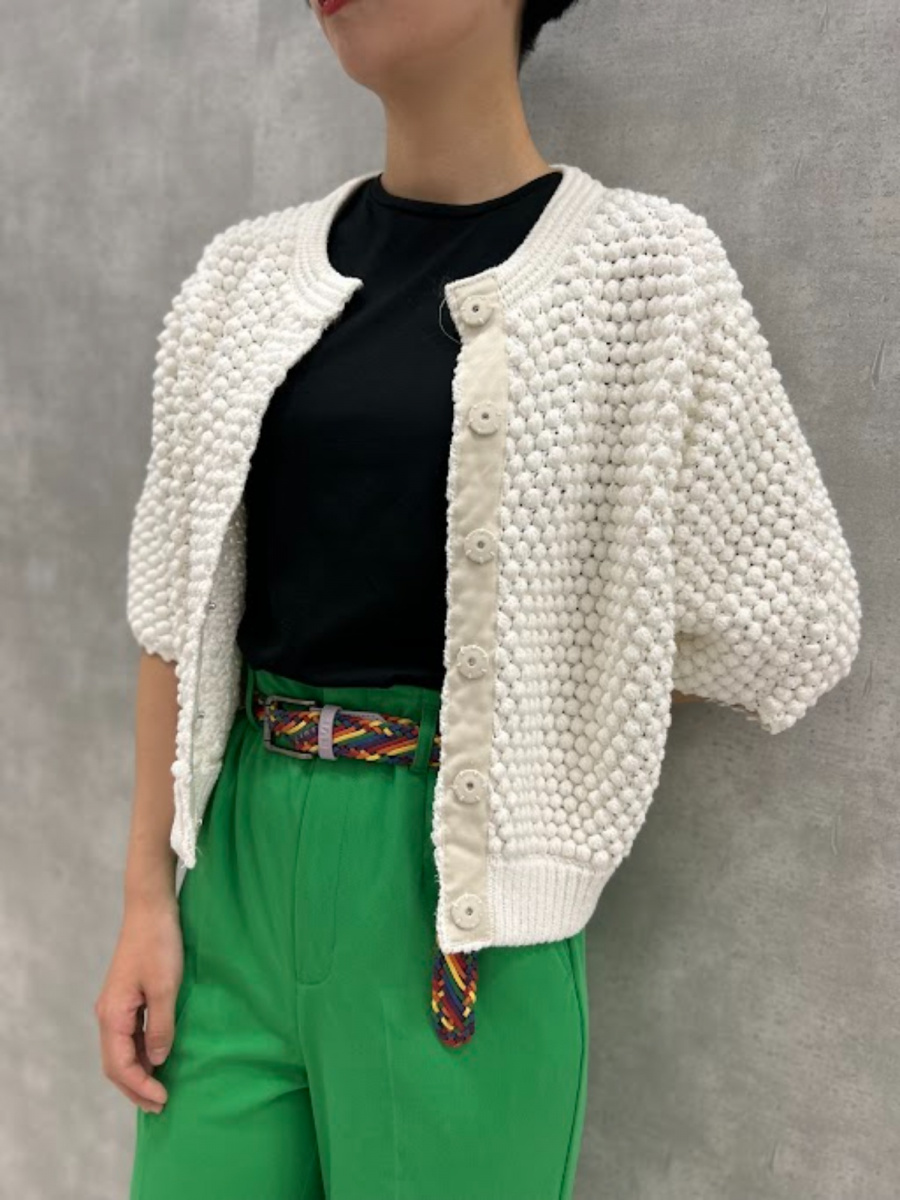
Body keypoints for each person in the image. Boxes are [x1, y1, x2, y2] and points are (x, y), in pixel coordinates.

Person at [94, 1, 862, 1197]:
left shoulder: (646, 277)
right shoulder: (240, 278)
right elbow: (170, 609)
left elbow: (790, 616)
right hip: (232, 880)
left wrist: (554, 690)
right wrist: (148, 901)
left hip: (461, 922)